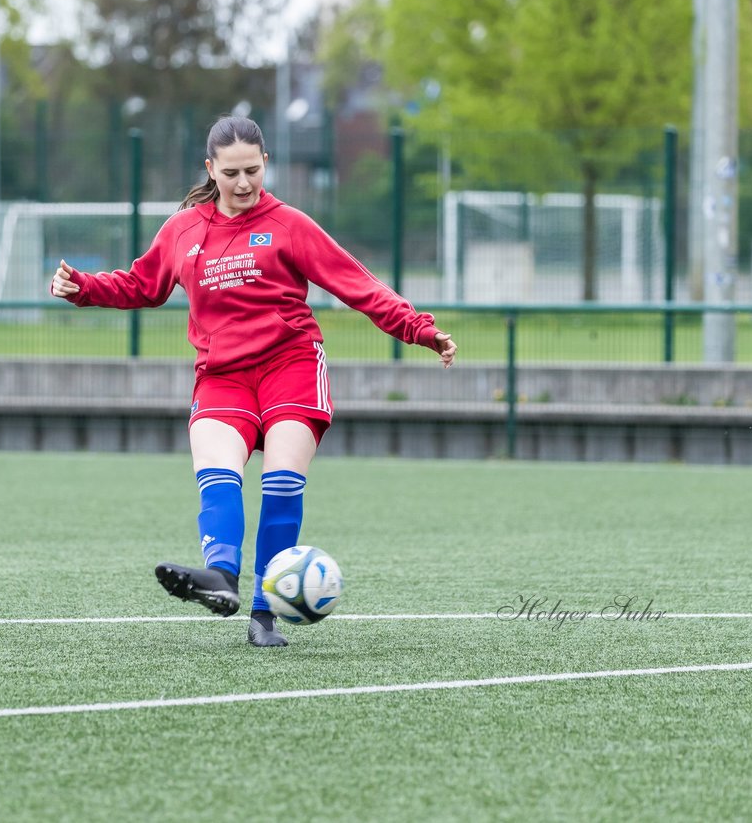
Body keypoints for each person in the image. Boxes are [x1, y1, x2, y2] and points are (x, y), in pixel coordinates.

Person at [52, 116, 456, 647]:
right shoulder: (184, 230)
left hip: (290, 367)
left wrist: (420, 329)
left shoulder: (290, 224)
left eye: (252, 170)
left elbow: (359, 285)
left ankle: (264, 614)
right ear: (210, 169)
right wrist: (82, 287)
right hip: (221, 376)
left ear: (265, 162)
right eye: (231, 173)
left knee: (280, 482)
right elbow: (141, 284)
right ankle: (220, 577)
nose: (244, 184)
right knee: (218, 472)